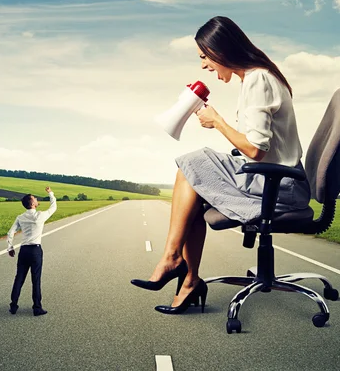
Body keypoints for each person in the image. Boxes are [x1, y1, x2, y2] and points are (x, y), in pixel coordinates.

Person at [131, 16, 310, 314]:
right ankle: (187, 277)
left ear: (221, 50)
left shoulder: (258, 80)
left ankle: (176, 263)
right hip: (273, 180)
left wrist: (218, 122)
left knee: (192, 163)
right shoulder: (255, 79)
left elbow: (255, 149)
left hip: (279, 186)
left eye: (204, 56)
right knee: (192, 176)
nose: (203, 65)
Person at [7, 187, 57, 316]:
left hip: (24, 250)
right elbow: (53, 207)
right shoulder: (40, 215)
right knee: (36, 279)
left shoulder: (20, 217)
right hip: (35, 250)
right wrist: (50, 193)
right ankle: (37, 307)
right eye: (34, 198)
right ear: (32, 203)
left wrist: (10, 247)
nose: (36, 199)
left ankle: (13, 305)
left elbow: (11, 232)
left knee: (19, 278)